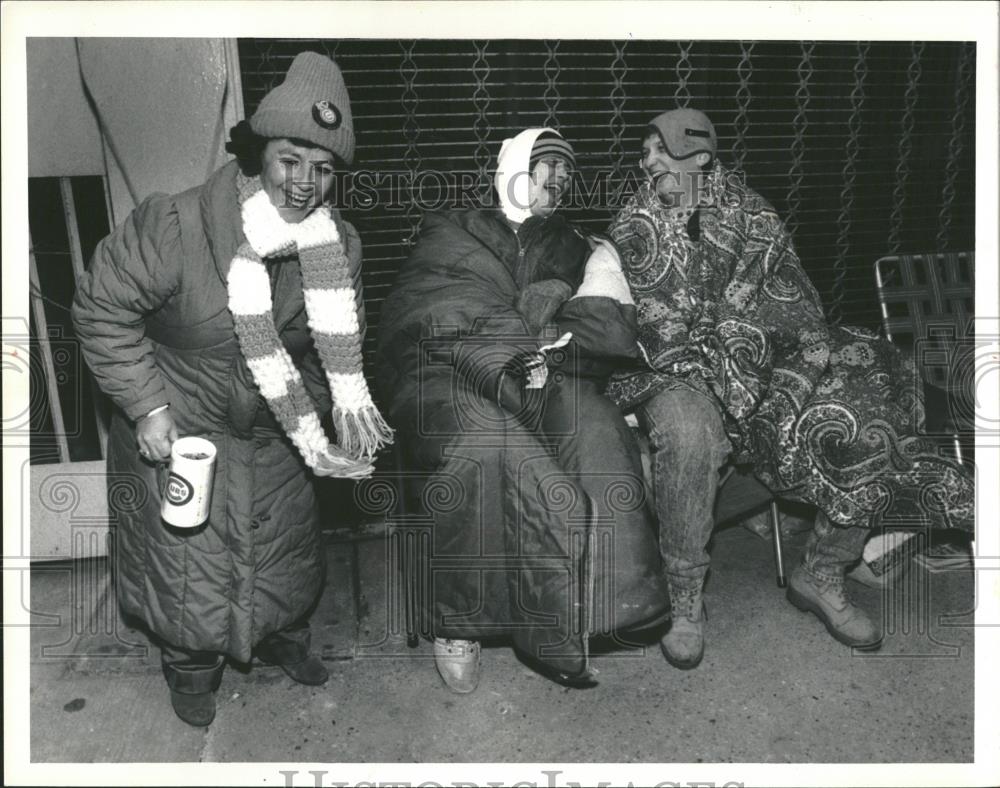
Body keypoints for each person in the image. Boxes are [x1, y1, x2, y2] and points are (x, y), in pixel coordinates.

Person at [72, 52, 391, 726]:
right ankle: (190, 667)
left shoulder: (339, 247)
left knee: (283, 549)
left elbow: (335, 343)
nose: (305, 183)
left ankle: (281, 634)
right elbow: (102, 309)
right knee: (188, 567)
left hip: (276, 428)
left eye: (324, 167)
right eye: (290, 158)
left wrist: (321, 417)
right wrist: (147, 406)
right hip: (184, 424)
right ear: (256, 152)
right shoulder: (175, 225)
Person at [602, 108, 974, 669]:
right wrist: (715, 358)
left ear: (700, 156)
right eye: (645, 149)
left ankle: (822, 569)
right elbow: (655, 320)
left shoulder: (753, 214)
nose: (645, 159)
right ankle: (683, 597)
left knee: (868, 401)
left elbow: (793, 298)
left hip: (766, 359)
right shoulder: (634, 223)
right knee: (689, 430)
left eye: (660, 148)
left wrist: (750, 348)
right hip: (672, 365)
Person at [376, 128, 669, 693]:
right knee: (480, 445)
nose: (558, 178)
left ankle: (602, 600)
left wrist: (545, 337)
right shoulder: (454, 227)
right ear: (513, 167)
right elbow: (434, 307)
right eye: (545, 165)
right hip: (444, 370)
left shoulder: (577, 245)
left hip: (537, 370)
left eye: (566, 170)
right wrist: (519, 338)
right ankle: (457, 622)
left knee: (596, 426)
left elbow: (610, 327)